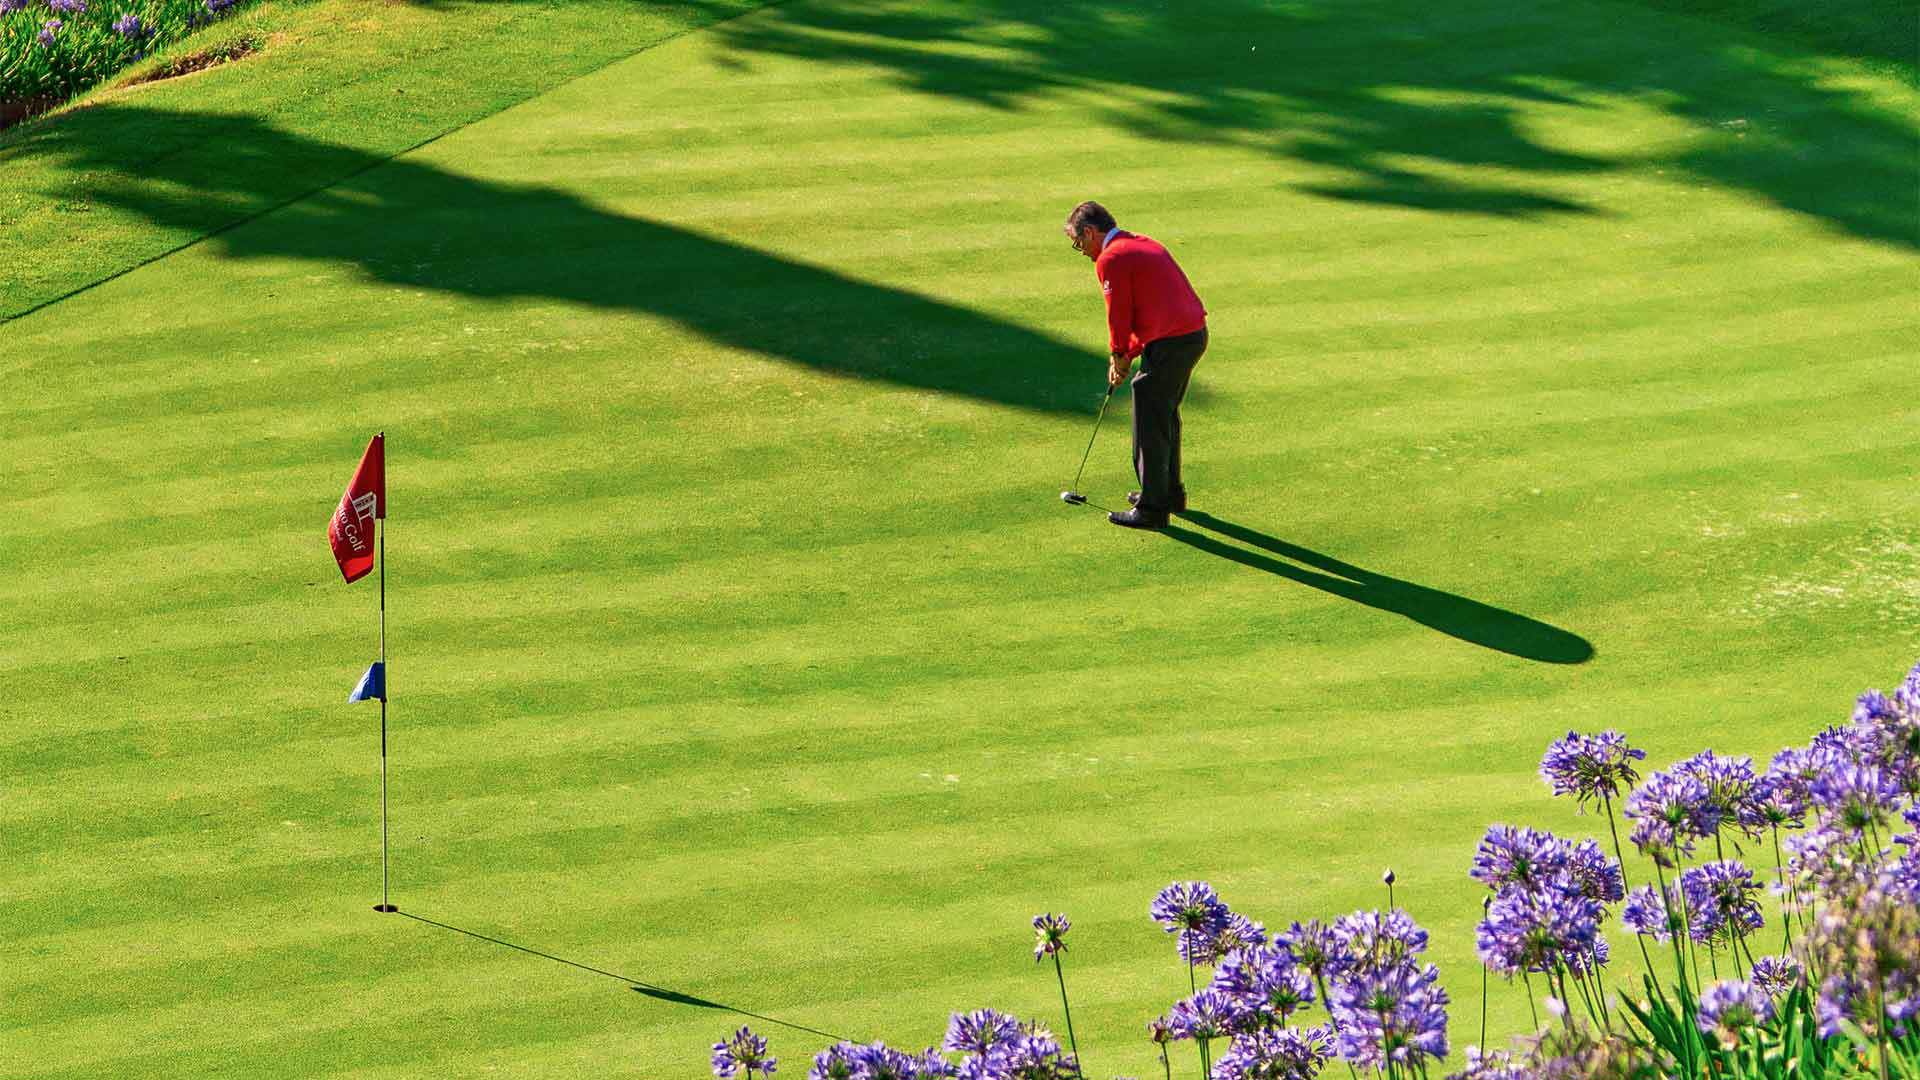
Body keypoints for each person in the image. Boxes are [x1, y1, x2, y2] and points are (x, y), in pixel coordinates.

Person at [1063, 201, 1208, 530]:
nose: (1082, 251)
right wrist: (1127, 354)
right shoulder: (1141, 241)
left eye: (1078, 242)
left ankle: (1153, 509)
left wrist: (1117, 354)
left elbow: (1119, 313)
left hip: (1173, 341)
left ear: (1090, 232)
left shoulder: (1111, 258)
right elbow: (1150, 312)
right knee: (1163, 413)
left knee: (1149, 414)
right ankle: (1169, 493)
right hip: (1190, 336)